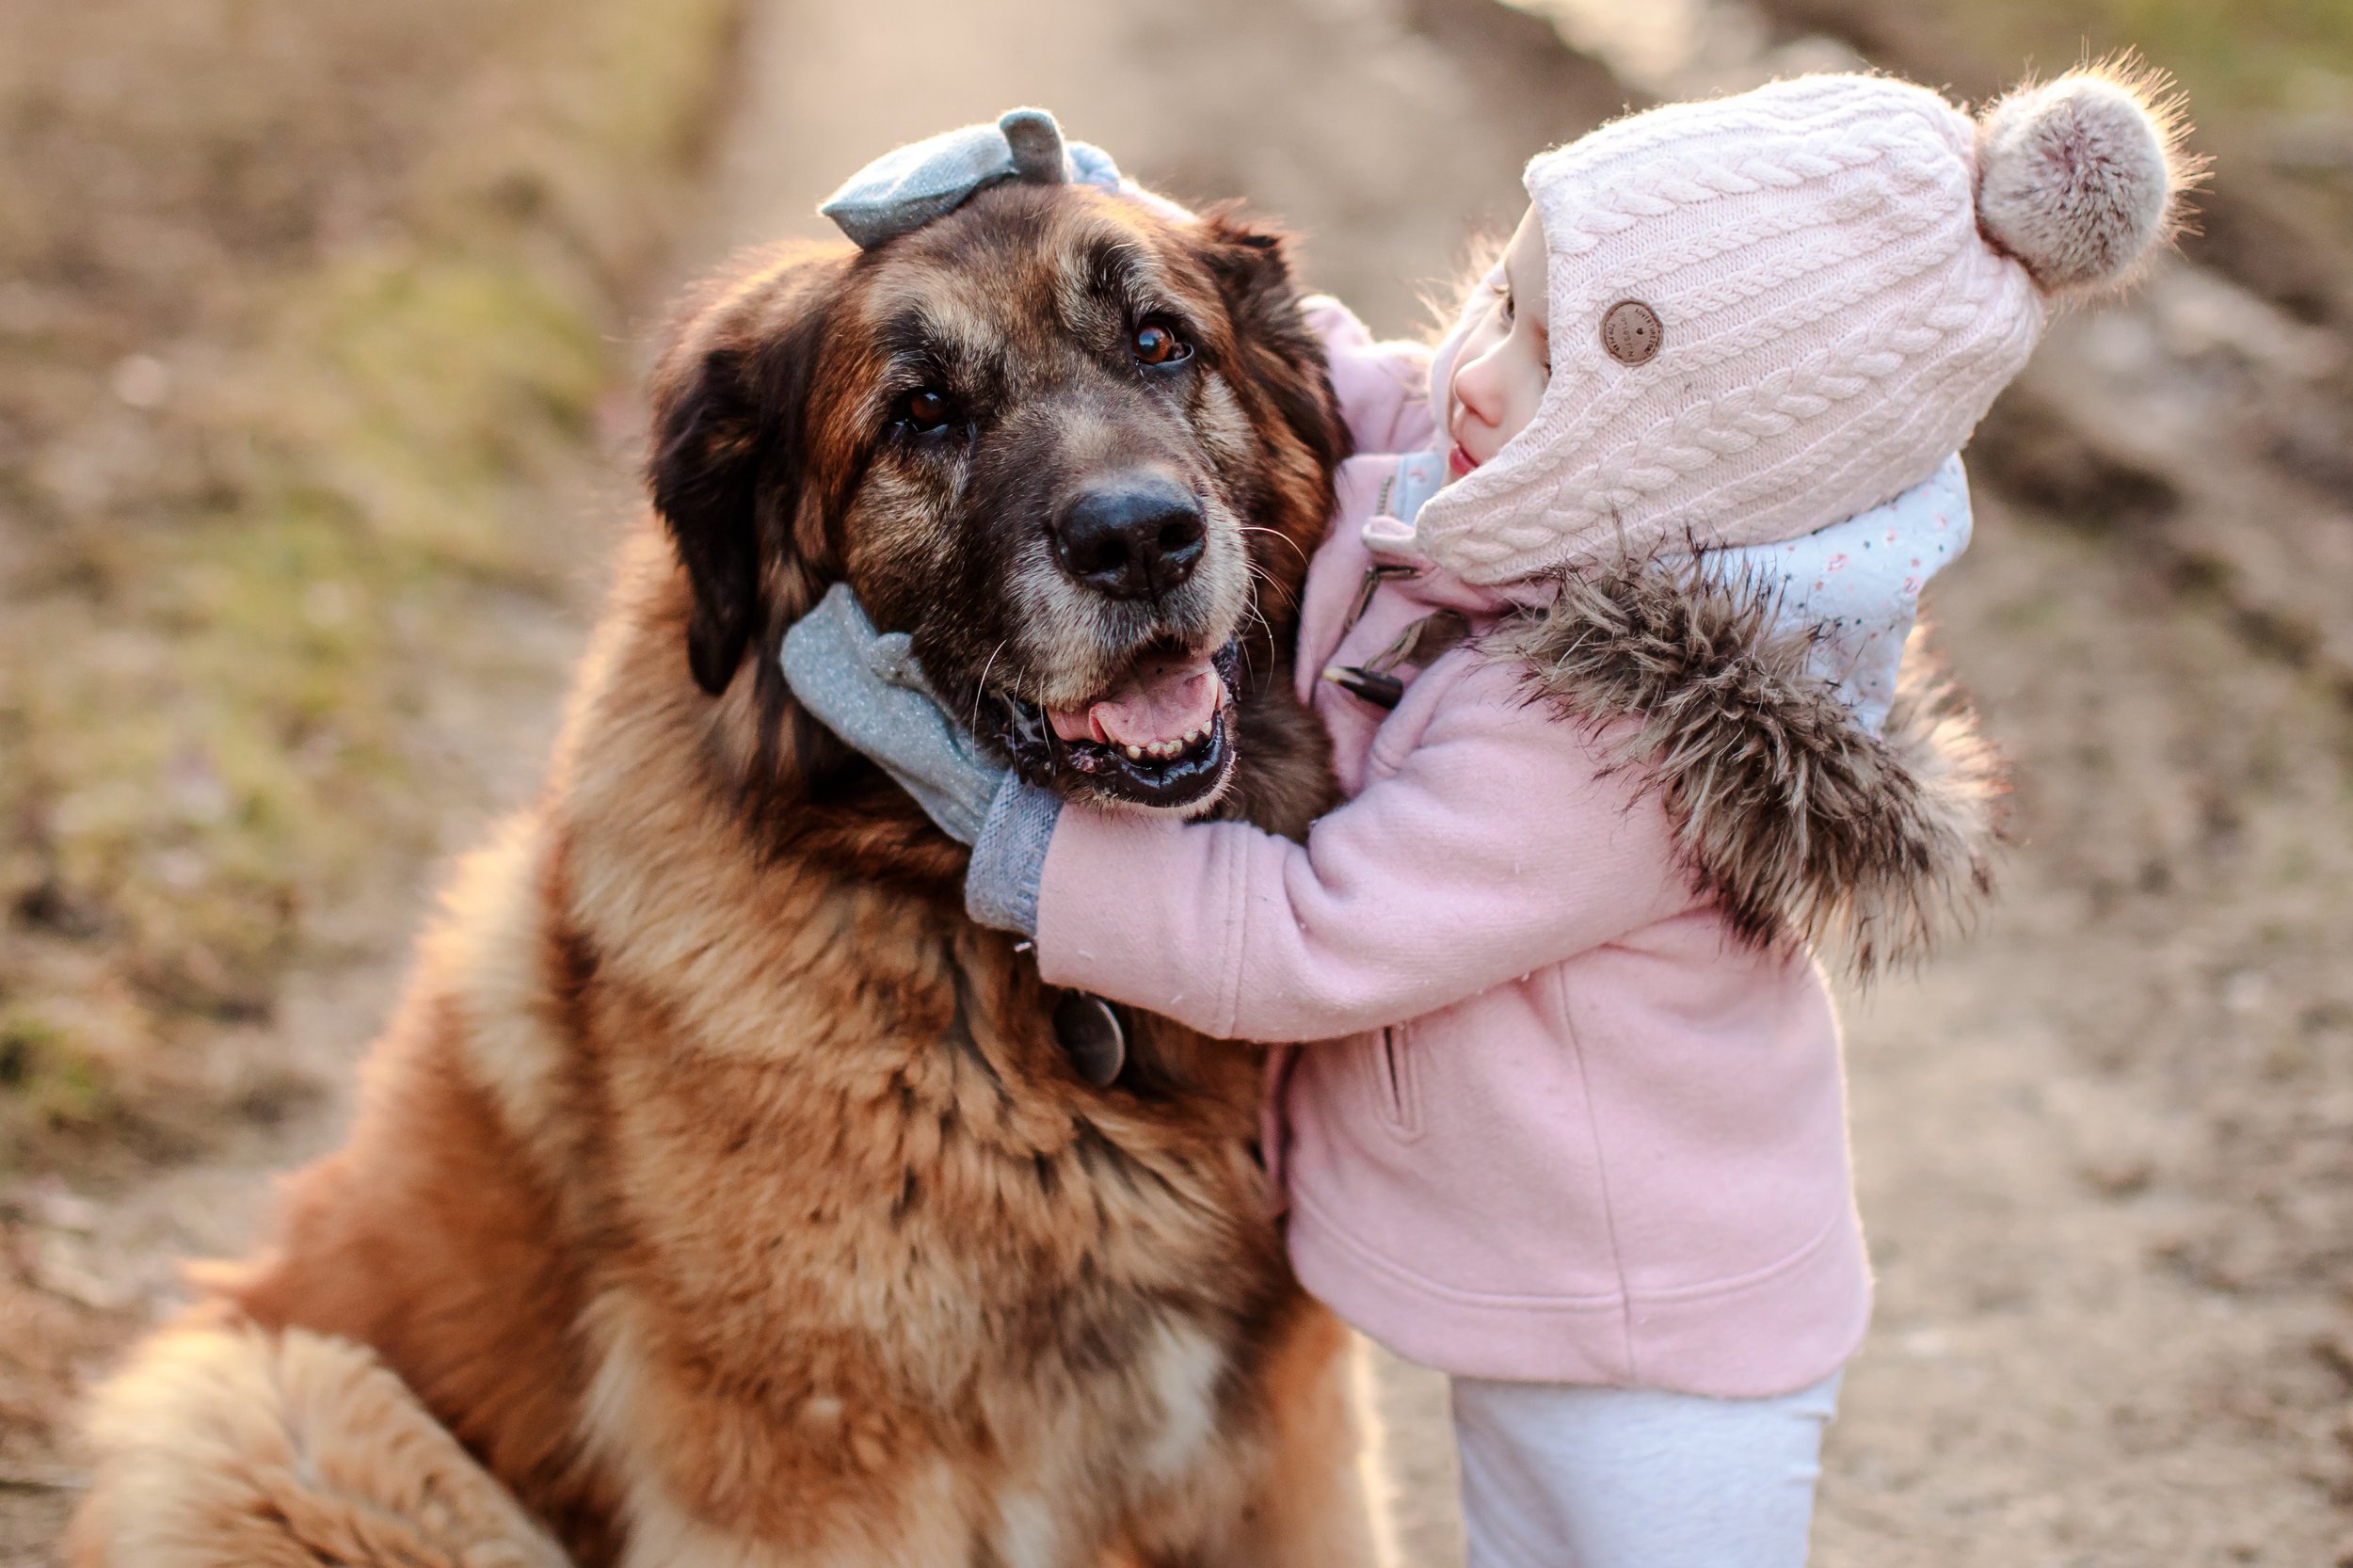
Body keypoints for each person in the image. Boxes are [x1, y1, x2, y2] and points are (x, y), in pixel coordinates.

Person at [787, 69, 2187, 1567]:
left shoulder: (1598, 742)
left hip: (1655, 1345)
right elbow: (1342, 377)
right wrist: (1134, 254)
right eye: (1503, 299)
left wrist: (1022, 847)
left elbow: (1317, 938)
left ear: (1687, 465)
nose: (1470, 370)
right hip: (1540, 1293)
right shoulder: (1514, 476)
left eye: (1542, 356)